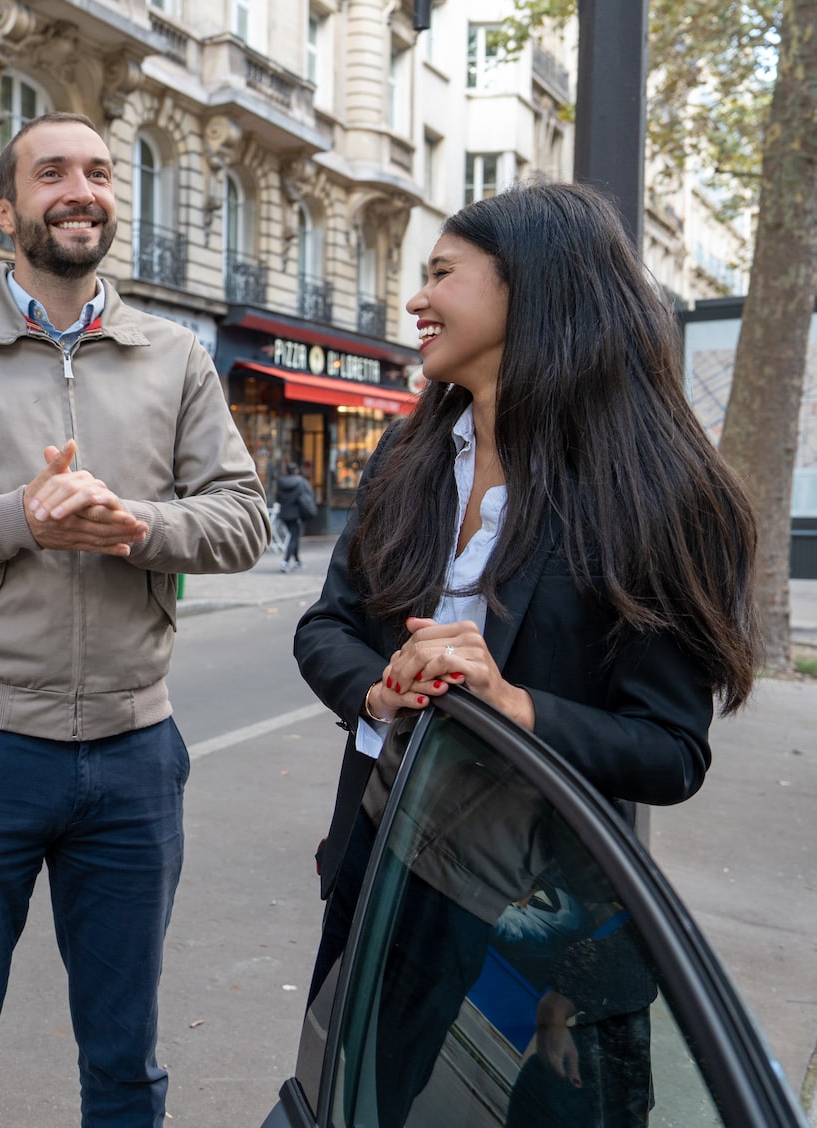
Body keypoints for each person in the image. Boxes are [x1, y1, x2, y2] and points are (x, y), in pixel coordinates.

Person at [293, 181, 758, 1126]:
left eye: (440, 276)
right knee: (344, 1088)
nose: (417, 301)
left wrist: (512, 706)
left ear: (530, 292)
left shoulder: (657, 495)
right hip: (379, 855)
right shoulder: (408, 456)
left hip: (534, 905)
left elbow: (671, 750)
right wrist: (383, 691)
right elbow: (325, 628)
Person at [0, 111, 269, 1127]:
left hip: (134, 752)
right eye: (52, 173)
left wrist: (135, 528)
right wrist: (16, 519)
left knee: (126, 1068)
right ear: (6, 208)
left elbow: (242, 519)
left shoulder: (176, 358)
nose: (81, 190)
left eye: (100, 173)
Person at [273, 462, 315, 571]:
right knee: (294, 537)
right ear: (296, 470)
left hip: (284, 514)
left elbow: (277, 498)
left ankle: (297, 561)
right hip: (296, 514)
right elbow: (308, 497)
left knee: (294, 536)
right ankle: (285, 562)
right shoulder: (301, 482)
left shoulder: (281, 482)